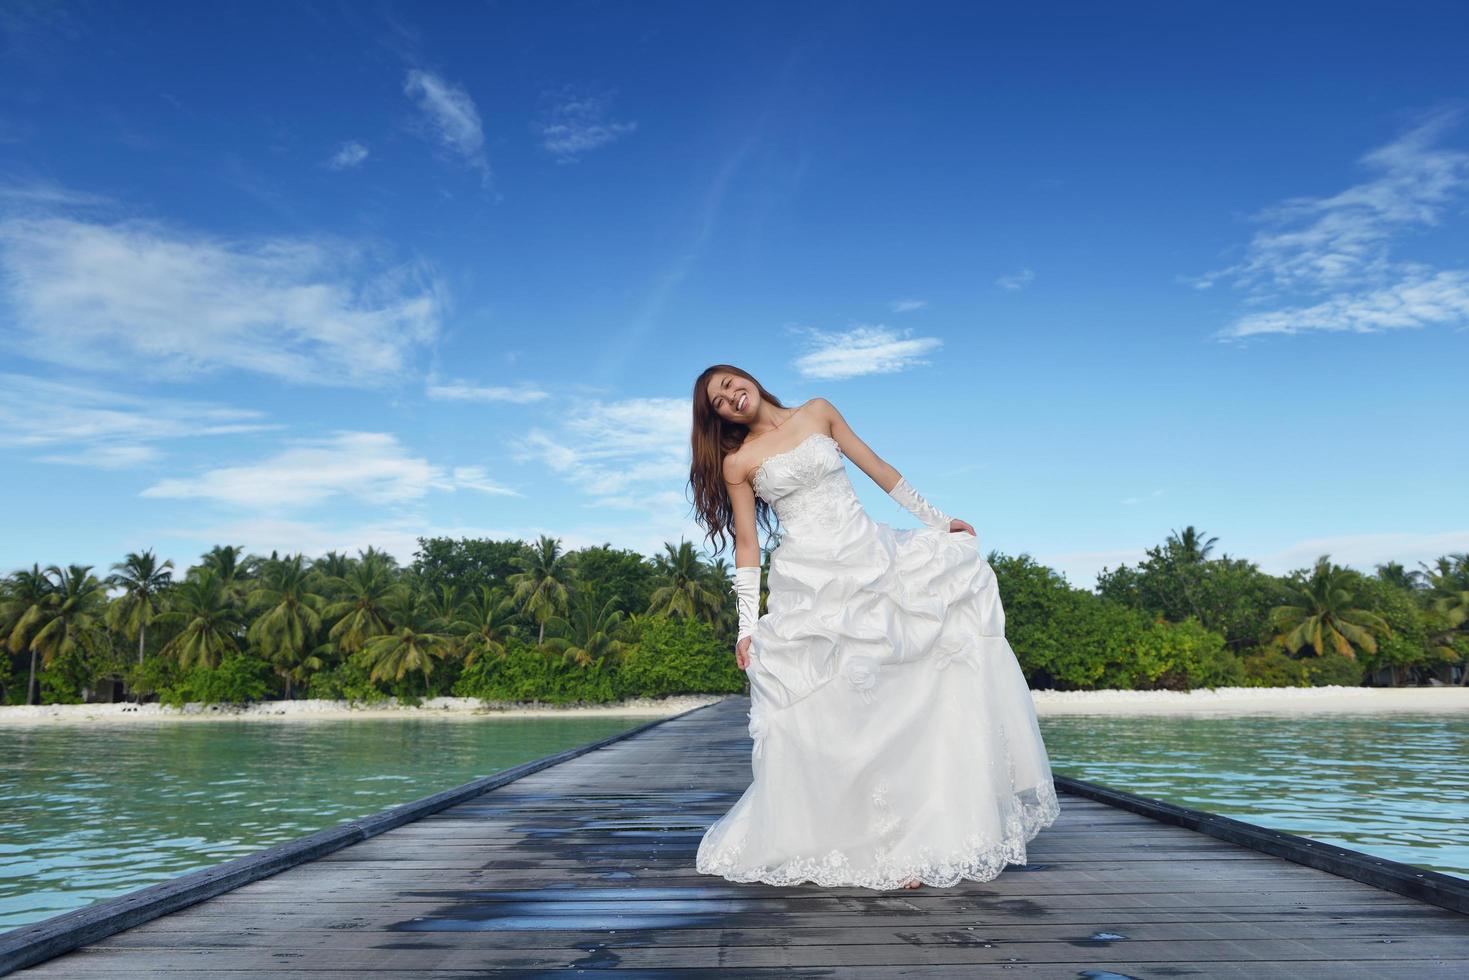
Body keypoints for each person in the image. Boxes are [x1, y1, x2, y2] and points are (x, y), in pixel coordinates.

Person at [688, 364, 1060, 890]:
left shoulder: (818, 411)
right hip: (809, 581)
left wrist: (937, 520)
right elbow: (746, 546)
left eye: (729, 385)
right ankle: (857, 834)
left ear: (748, 379)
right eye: (718, 402)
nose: (729, 398)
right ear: (718, 418)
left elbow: (879, 469)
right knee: (841, 710)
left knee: (900, 694)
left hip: (869, 557)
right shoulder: (738, 462)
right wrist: (746, 626)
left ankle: (916, 833)